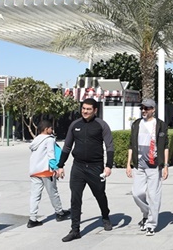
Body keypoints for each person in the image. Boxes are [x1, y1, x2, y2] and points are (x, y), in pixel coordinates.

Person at [57, 98, 114, 242]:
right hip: (78, 167)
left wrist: (108, 166)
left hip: (96, 167)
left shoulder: (101, 125)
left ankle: (105, 216)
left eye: (89, 109)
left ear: (95, 110)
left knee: (100, 194)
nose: (85, 111)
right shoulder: (75, 125)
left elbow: (109, 147)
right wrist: (60, 165)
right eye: (83, 108)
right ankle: (75, 229)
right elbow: (67, 147)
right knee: (75, 198)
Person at [126, 99, 169, 236]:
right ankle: (147, 213)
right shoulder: (136, 124)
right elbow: (131, 145)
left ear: (153, 110)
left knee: (153, 195)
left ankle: (151, 224)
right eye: (142, 108)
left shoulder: (160, 125)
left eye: (147, 108)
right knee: (136, 193)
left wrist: (166, 166)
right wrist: (128, 164)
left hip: (154, 165)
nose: (143, 110)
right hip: (139, 165)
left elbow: (166, 146)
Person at [27, 120, 71, 228]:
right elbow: (51, 154)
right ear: (46, 129)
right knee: (53, 192)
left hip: (34, 171)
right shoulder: (49, 140)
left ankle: (32, 219)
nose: (52, 130)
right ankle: (60, 213)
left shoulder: (36, 139)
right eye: (51, 128)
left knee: (35, 195)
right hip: (46, 171)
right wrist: (56, 168)